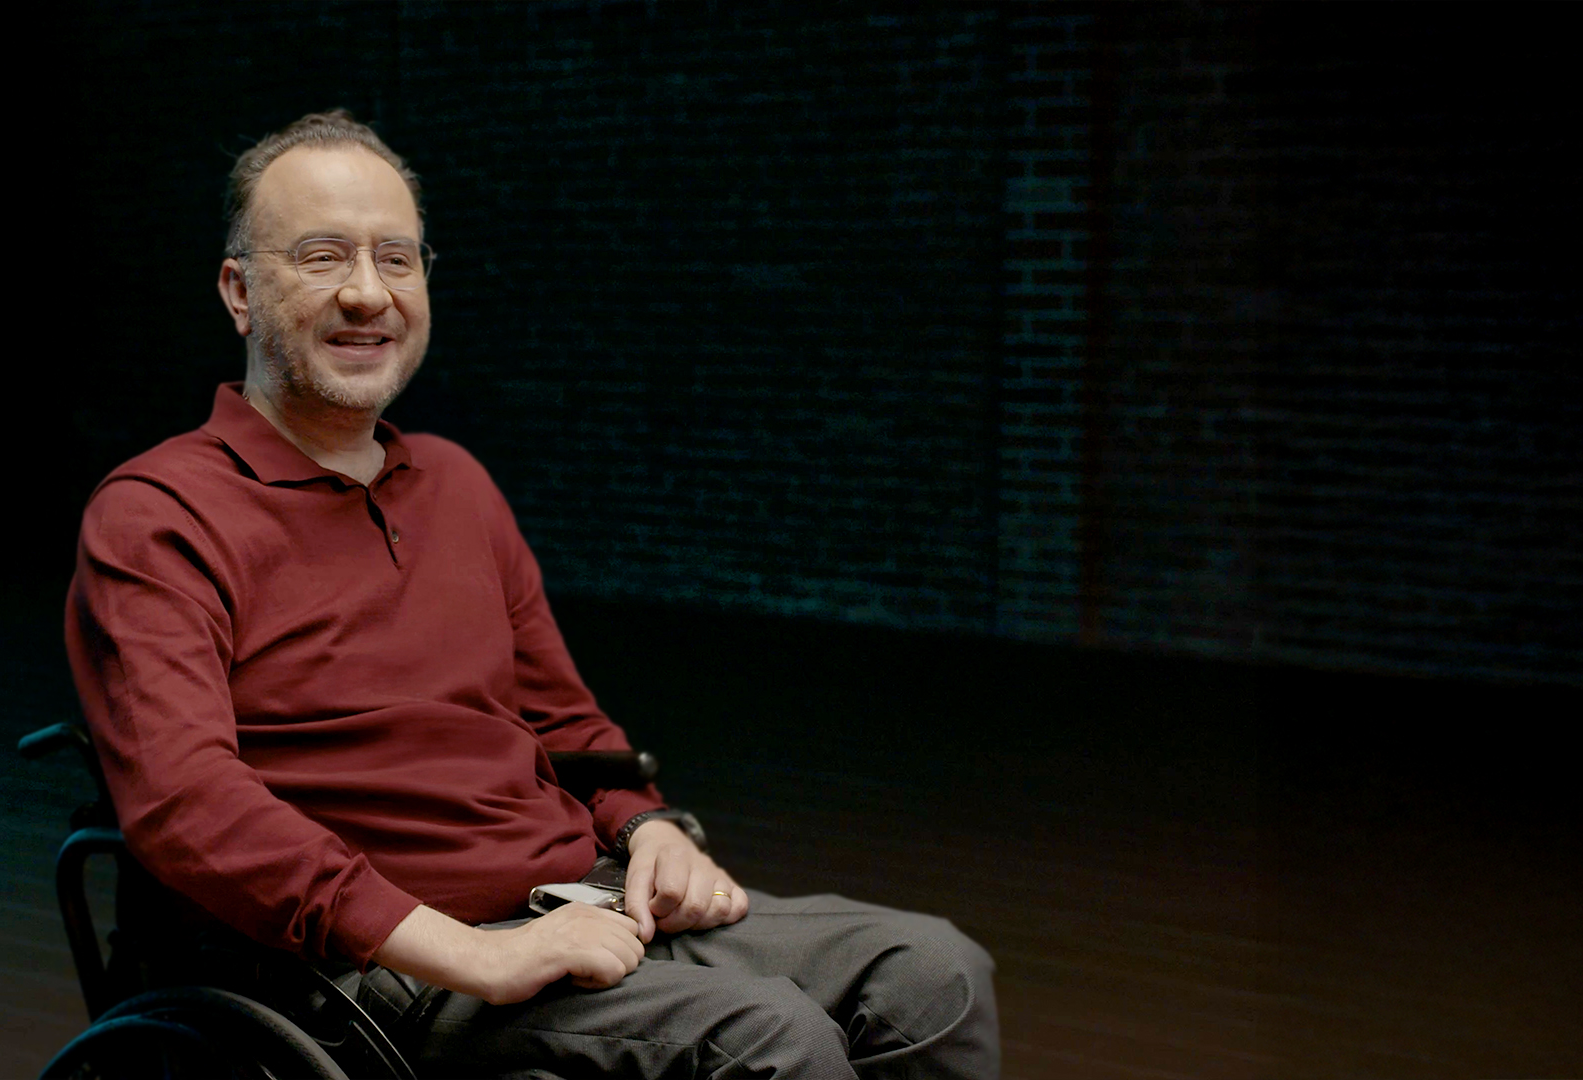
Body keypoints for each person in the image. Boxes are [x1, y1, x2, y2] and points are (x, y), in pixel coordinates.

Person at [67, 108, 998, 1079]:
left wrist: (647, 826)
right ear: (240, 292)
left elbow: (560, 718)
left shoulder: (456, 485)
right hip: (371, 969)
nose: (366, 293)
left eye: (396, 259)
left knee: (936, 975)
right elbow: (185, 801)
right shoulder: (158, 515)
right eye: (321, 257)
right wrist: (470, 952)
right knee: (772, 1040)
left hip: (574, 900)